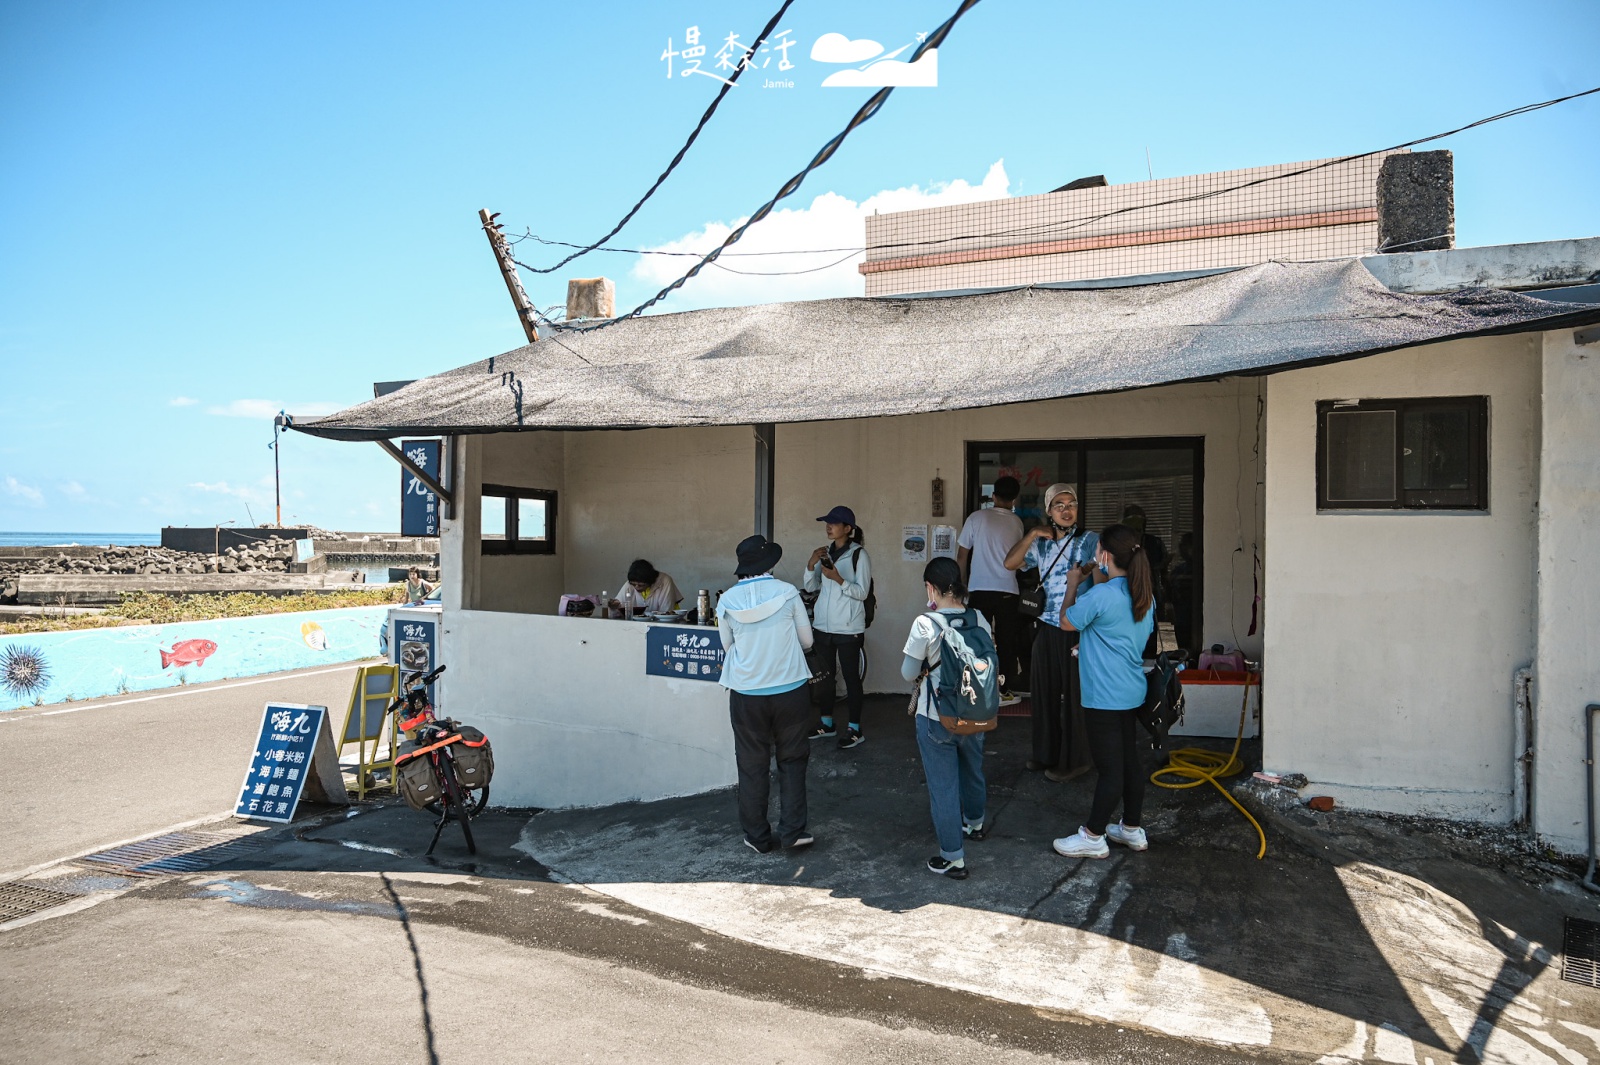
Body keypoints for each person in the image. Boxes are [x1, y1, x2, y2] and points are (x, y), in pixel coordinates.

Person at [1051, 523, 1157, 860]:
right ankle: (1131, 828)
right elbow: (1111, 623)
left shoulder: (1101, 595)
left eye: (1098, 551)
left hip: (1104, 696)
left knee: (1111, 769)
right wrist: (1097, 576)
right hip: (1131, 691)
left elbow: (1067, 620)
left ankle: (1093, 835)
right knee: (1129, 762)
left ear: (1105, 555)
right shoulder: (1144, 595)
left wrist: (1072, 585)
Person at [717, 535, 816, 854]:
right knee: (793, 760)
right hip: (790, 692)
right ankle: (792, 832)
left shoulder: (727, 600)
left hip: (746, 695)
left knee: (751, 764)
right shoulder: (788, 593)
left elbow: (727, 646)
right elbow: (807, 641)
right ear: (769, 564)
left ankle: (757, 836)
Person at [902, 557, 990, 880]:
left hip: (936, 716)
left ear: (931, 588)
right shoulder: (979, 618)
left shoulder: (926, 624)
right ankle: (976, 823)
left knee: (943, 785)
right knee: (972, 767)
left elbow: (908, 672)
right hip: (975, 710)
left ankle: (952, 857)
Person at [1004, 483, 1098, 782]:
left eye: (1071, 504)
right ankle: (1046, 753)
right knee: (1042, 693)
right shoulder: (1041, 543)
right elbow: (1010, 563)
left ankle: (1077, 760)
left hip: (1077, 627)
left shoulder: (1089, 540)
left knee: (1074, 696)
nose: (1066, 510)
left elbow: (1101, 582)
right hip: (1046, 624)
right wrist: (1032, 533)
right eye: (1059, 505)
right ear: (1049, 510)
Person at [803, 505, 872, 750]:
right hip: (823, 625)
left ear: (848, 529)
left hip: (848, 627)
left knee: (852, 679)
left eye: (834, 523)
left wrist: (839, 579)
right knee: (825, 679)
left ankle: (855, 728)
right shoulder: (825, 553)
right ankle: (827, 722)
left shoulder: (859, 555)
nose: (828, 527)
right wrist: (811, 565)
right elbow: (811, 588)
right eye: (827, 523)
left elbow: (862, 592)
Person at [957, 475, 1025, 703]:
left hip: (979, 589)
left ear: (993, 496)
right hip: (1008, 589)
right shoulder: (1017, 522)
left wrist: (962, 585)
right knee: (1006, 642)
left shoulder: (976, 518)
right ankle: (1004, 691)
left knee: (978, 640)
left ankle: (978, 688)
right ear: (1014, 499)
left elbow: (962, 555)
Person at [613, 559, 682, 616]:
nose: (636, 587)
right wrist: (614, 606)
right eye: (634, 584)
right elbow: (618, 608)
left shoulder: (664, 581)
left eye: (641, 585)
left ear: (650, 581)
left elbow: (666, 611)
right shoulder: (630, 584)